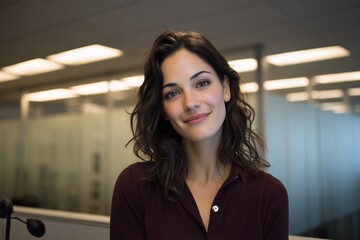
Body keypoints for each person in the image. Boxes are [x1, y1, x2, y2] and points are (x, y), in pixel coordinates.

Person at [110, 30, 288, 240]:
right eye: (173, 93)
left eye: (202, 83)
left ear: (226, 89)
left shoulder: (268, 194)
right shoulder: (134, 186)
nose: (190, 103)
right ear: (164, 111)